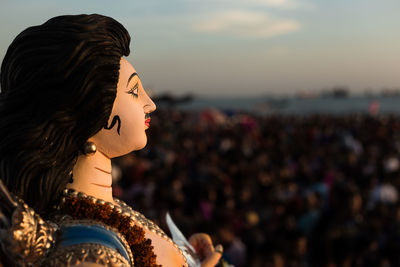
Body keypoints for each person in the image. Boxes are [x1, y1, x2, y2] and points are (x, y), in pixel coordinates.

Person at [0, 14, 222, 267]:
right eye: (134, 91)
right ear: (89, 110)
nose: (150, 104)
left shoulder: (106, 213)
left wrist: (189, 255)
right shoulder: (91, 254)